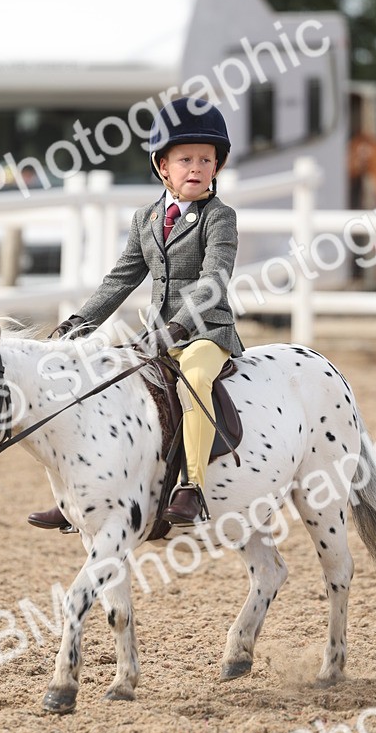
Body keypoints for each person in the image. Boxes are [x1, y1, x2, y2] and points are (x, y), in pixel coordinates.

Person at [29, 96, 243, 530]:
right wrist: (79, 323)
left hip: (206, 334)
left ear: (218, 166)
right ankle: (77, 498)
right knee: (100, 385)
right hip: (158, 335)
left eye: (207, 159)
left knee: (195, 381)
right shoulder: (146, 219)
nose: (197, 168)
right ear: (162, 165)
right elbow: (121, 278)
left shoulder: (219, 217)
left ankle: (193, 488)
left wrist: (181, 325)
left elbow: (214, 280)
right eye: (186, 159)